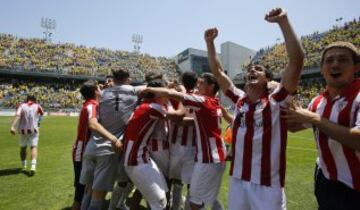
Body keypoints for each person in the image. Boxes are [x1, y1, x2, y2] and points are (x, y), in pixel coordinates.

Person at [204, 7, 304, 210]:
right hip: (238, 178)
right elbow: (218, 72)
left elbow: (297, 60)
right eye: (250, 69)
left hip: (268, 184)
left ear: (268, 78)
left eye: (258, 69)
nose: (252, 70)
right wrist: (210, 43)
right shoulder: (239, 99)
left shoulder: (277, 99)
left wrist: (283, 22)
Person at [283, 41, 360, 210]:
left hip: (355, 186)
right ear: (322, 69)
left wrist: (315, 119)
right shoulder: (318, 101)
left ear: (356, 67)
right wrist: (279, 96)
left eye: (343, 59)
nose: (335, 64)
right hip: (325, 180)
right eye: (329, 60)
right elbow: (293, 126)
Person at [144, 72, 227, 210]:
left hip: (205, 156)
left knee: (191, 195)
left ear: (211, 87)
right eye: (198, 82)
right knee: (207, 197)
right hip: (209, 152)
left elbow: (178, 115)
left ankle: (175, 206)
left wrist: (151, 90)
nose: (198, 85)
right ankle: (177, 206)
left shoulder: (200, 100)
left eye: (201, 83)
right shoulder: (215, 102)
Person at [80, 68, 142, 210]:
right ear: (128, 79)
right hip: (107, 150)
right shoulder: (133, 91)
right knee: (98, 197)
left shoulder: (101, 95)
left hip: (91, 147)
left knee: (88, 190)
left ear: (113, 79)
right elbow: (149, 87)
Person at [123, 79, 170, 210]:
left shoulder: (144, 105)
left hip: (140, 158)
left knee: (162, 190)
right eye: (164, 92)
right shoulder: (154, 108)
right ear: (157, 94)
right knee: (160, 201)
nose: (168, 94)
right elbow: (179, 116)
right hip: (137, 160)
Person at [71, 80, 101, 210]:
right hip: (82, 149)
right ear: (95, 92)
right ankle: (77, 205)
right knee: (81, 185)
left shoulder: (91, 104)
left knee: (86, 183)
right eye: (98, 88)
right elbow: (92, 124)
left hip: (83, 147)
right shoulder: (92, 105)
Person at [10, 94, 44, 176]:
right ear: (34, 99)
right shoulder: (38, 106)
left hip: (22, 131)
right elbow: (42, 115)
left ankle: (23, 165)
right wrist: (38, 124)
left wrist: (12, 126)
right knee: (33, 147)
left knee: (23, 148)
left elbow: (18, 116)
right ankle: (33, 167)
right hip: (34, 130)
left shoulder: (22, 106)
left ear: (27, 99)